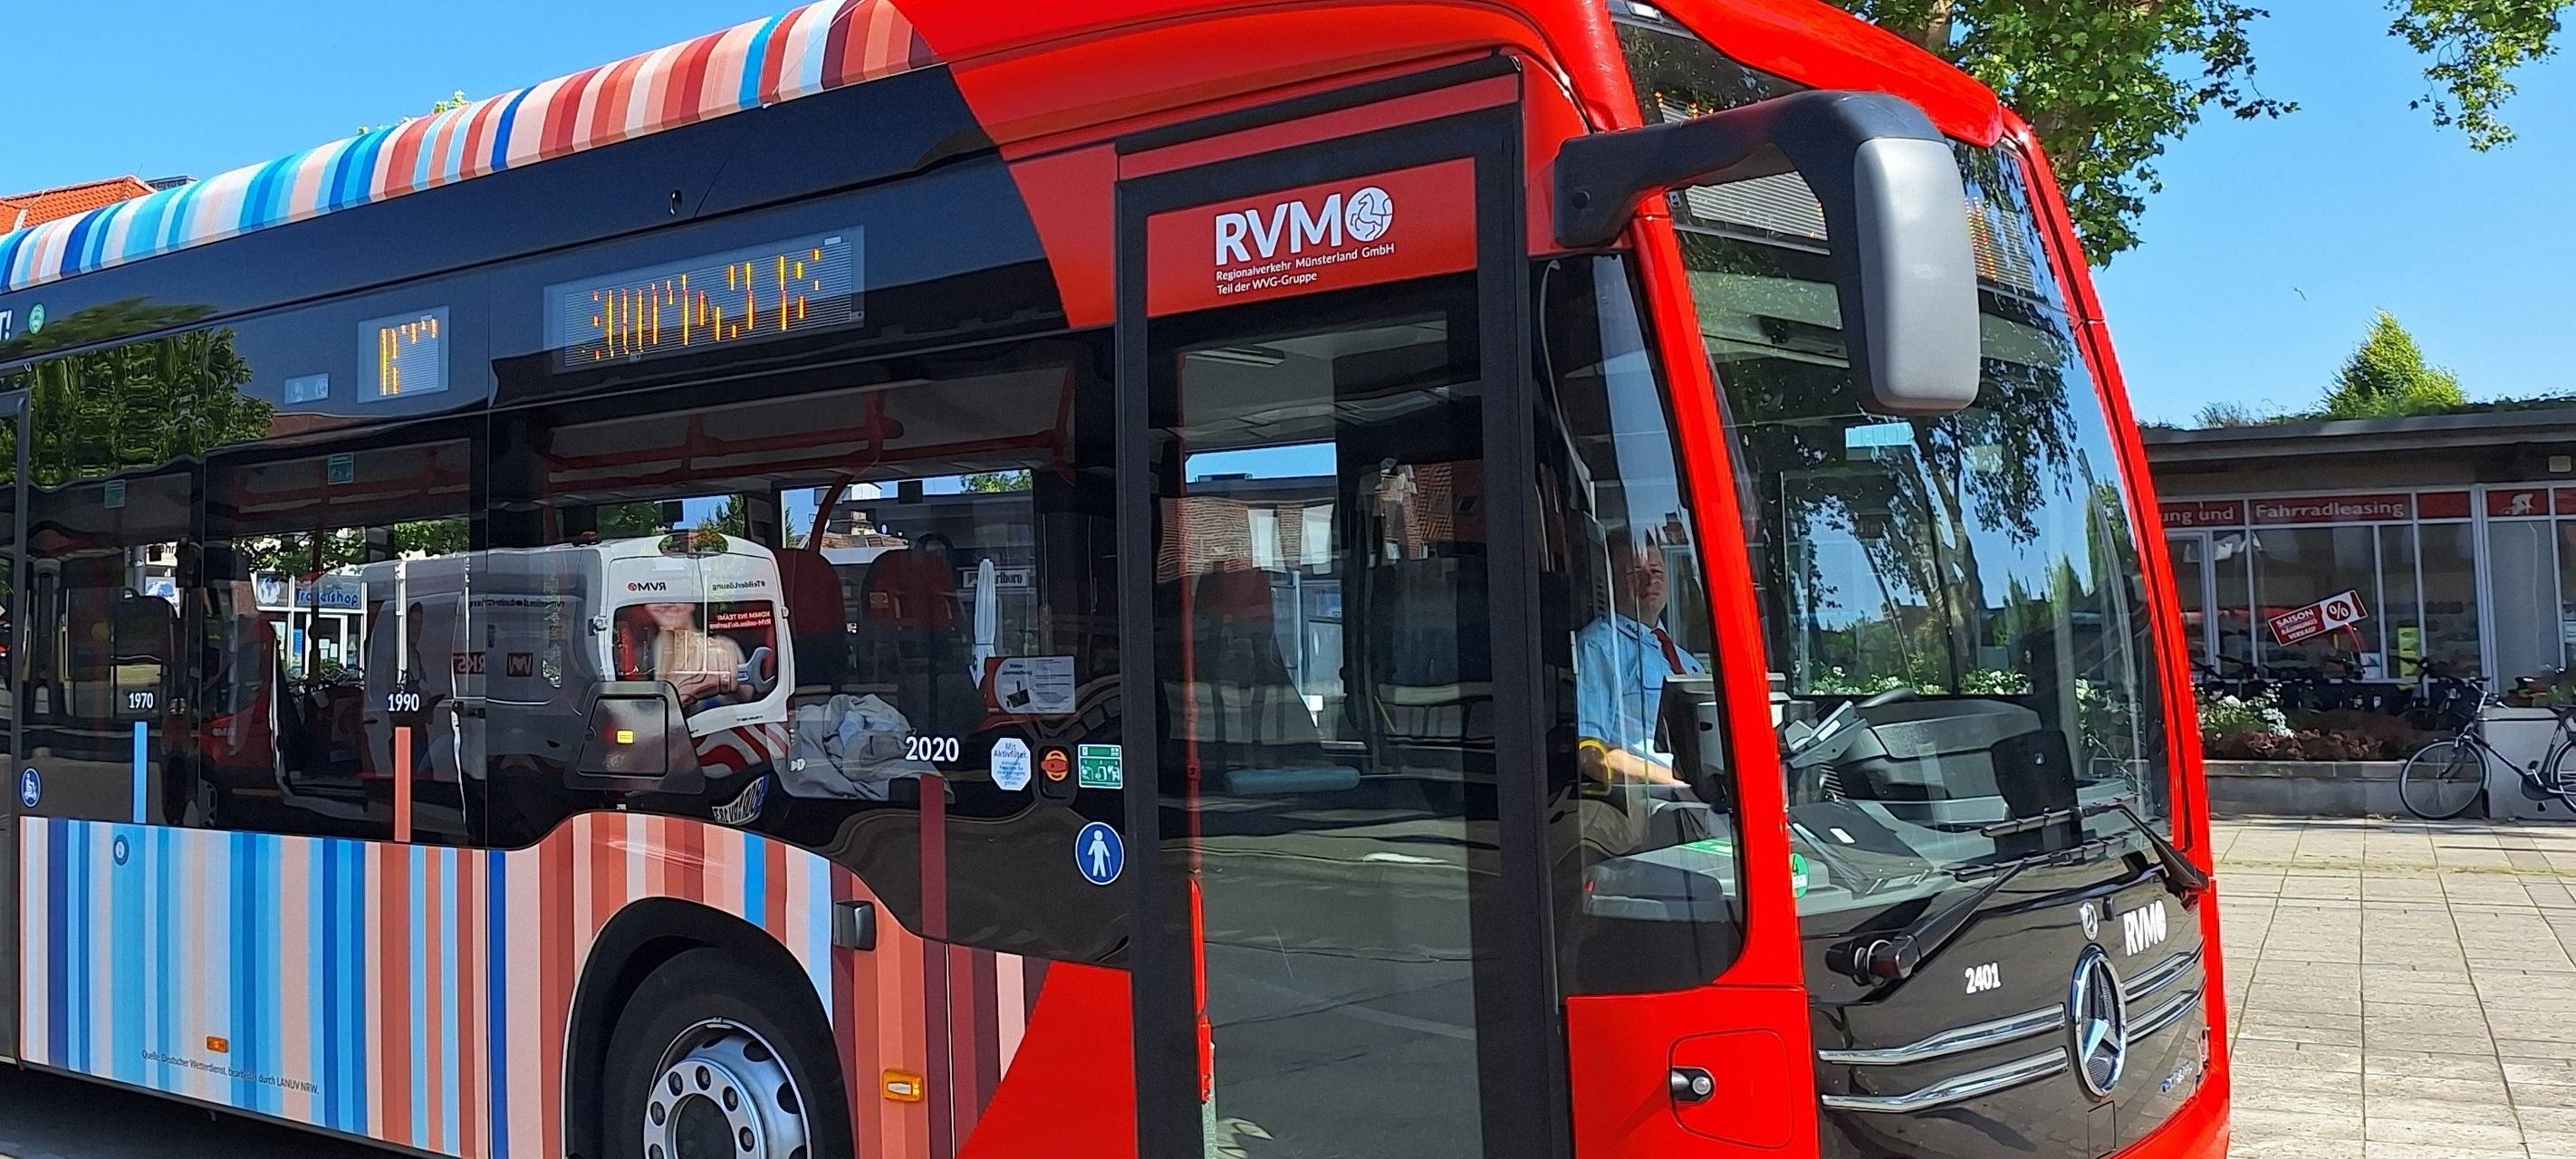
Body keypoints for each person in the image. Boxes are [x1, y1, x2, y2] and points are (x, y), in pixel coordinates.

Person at [1575, 540, 1705, 786]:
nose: (1650, 581)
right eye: (1635, 573)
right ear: (1610, 582)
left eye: (1656, 571)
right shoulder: (1599, 646)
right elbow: (1589, 753)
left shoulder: (1687, 663)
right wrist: (1677, 784)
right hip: (1649, 805)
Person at [641, 602, 747, 713]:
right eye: (658, 597)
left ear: (692, 603)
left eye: (678, 595)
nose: (666, 604)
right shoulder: (646, 654)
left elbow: (748, 698)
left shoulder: (721, 646)